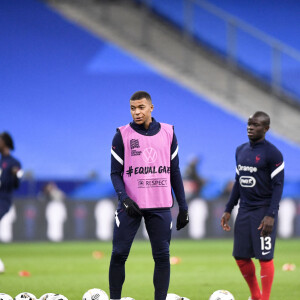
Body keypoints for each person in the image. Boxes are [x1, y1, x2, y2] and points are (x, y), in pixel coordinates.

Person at [109, 91, 189, 300]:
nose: (137, 112)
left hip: (160, 204)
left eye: (141, 107)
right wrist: (124, 199)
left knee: (162, 257)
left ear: (151, 108)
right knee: (118, 254)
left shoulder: (168, 132)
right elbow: (115, 173)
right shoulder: (122, 134)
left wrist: (183, 206)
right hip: (130, 205)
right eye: (133, 108)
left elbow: (175, 171)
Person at [221, 112, 284, 300]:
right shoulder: (240, 150)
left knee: (265, 257)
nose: (250, 127)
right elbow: (238, 182)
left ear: (266, 129)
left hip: (263, 210)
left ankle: (265, 298)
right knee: (240, 256)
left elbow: (278, 185)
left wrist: (271, 214)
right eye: (249, 124)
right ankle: (256, 295)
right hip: (245, 210)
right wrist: (228, 208)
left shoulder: (273, 153)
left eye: (256, 125)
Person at [0, 132, 22, 272]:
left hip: (3, 199)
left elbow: (17, 184)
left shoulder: (14, 162)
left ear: (5, 142)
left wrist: (15, 175)